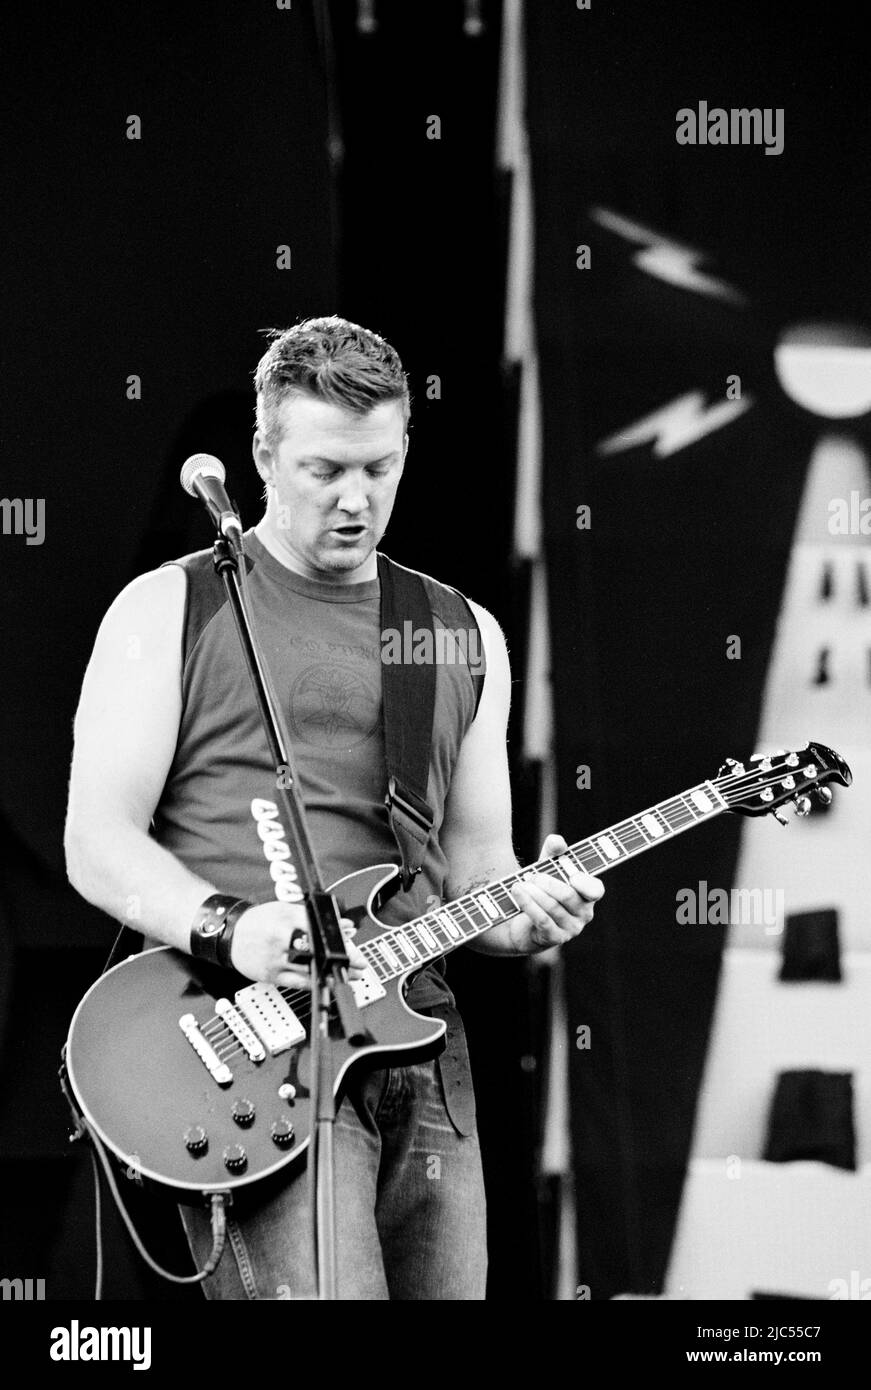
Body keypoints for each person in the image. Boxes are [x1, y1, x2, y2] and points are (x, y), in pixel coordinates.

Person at [64, 315, 604, 1300]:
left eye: (378, 467)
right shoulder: (168, 609)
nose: (356, 499)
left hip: (420, 1040)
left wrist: (529, 914)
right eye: (323, 470)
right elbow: (96, 842)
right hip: (247, 1038)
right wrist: (233, 928)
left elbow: (480, 868)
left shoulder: (458, 632)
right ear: (263, 455)